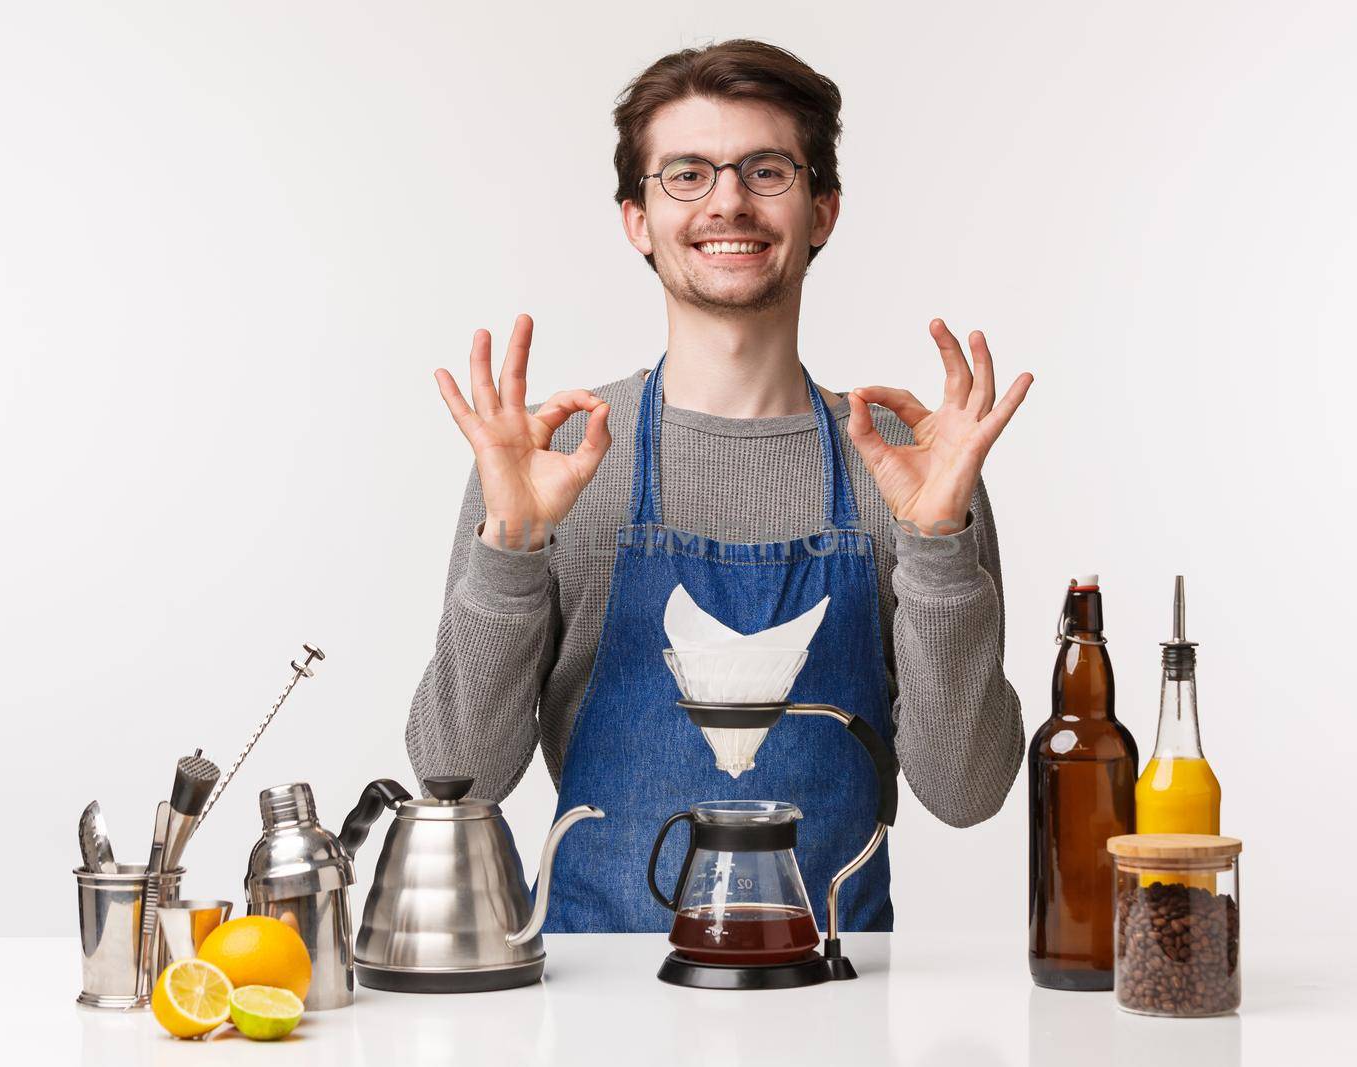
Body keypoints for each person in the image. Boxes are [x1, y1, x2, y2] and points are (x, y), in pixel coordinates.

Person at [406, 39, 1033, 933]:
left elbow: (968, 792)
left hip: (833, 1005)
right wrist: (509, 549)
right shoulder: (557, 458)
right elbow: (454, 774)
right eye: (687, 174)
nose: (728, 200)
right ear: (636, 218)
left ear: (823, 210)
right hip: (599, 1007)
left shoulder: (911, 464)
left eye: (766, 169)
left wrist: (940, 547)